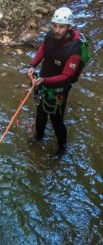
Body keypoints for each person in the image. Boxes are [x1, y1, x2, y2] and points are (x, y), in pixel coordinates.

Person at [26, 7, 84, 157]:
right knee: (40, 114)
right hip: (43, 82)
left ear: (69, 27)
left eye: (62, 26)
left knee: (56, 119)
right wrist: (33, 65)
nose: (57, 30)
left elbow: (67, 76)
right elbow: (43, 48)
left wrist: (44, 80)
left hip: (58, 90)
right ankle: (38, 138)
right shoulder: (51, 35)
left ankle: (62, 147)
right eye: (55, 25)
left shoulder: (74, 49)